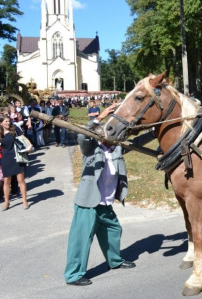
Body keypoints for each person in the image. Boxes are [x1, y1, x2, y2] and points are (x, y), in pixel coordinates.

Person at [64, 104, 155, 286]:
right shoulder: (90, 148)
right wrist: (99, 117)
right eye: (108, 133)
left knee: (114, 230)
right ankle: (73, 275)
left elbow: (136, 143)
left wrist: (154, 132)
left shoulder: (117, 148)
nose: (113, 136)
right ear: (100, 135)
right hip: (88, 202)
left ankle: (114, 261)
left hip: (105, 203)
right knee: (81, 239)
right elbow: (82, 135)